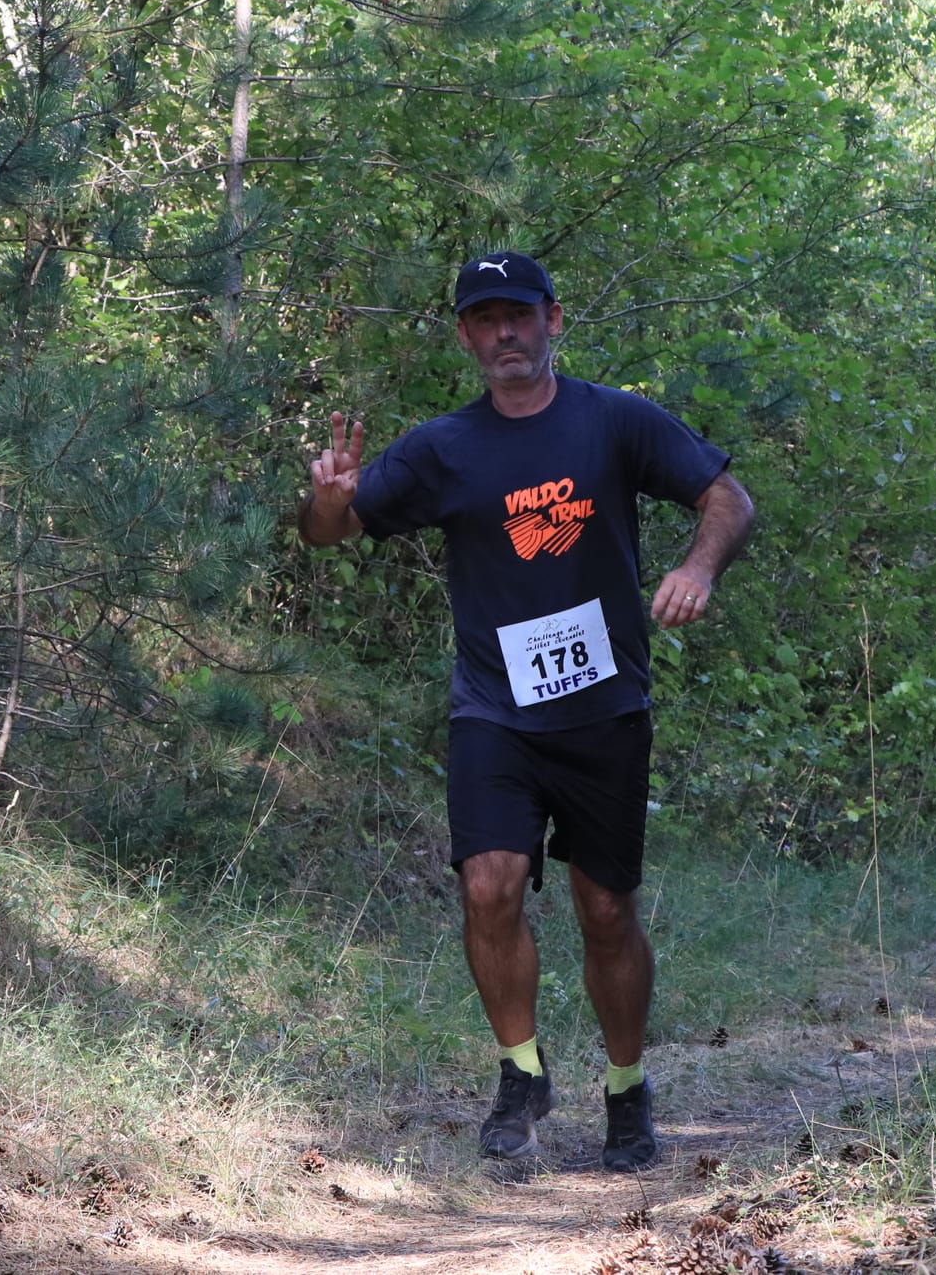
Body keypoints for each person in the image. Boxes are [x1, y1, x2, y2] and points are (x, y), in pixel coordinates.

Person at [299, 251, 754, 1171]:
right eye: (485, 318)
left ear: (553, 319)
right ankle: (522, 1074)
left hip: (605, 709)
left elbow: (727, 497)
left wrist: (697, 568)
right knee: (488, 886)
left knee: (606, 908)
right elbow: (329, 534)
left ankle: (627, 1089)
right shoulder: (443, 448)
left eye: (519, 314)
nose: (504, 332)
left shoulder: (614, 419)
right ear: (466, 337)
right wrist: (329, 501)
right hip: (494, 711)